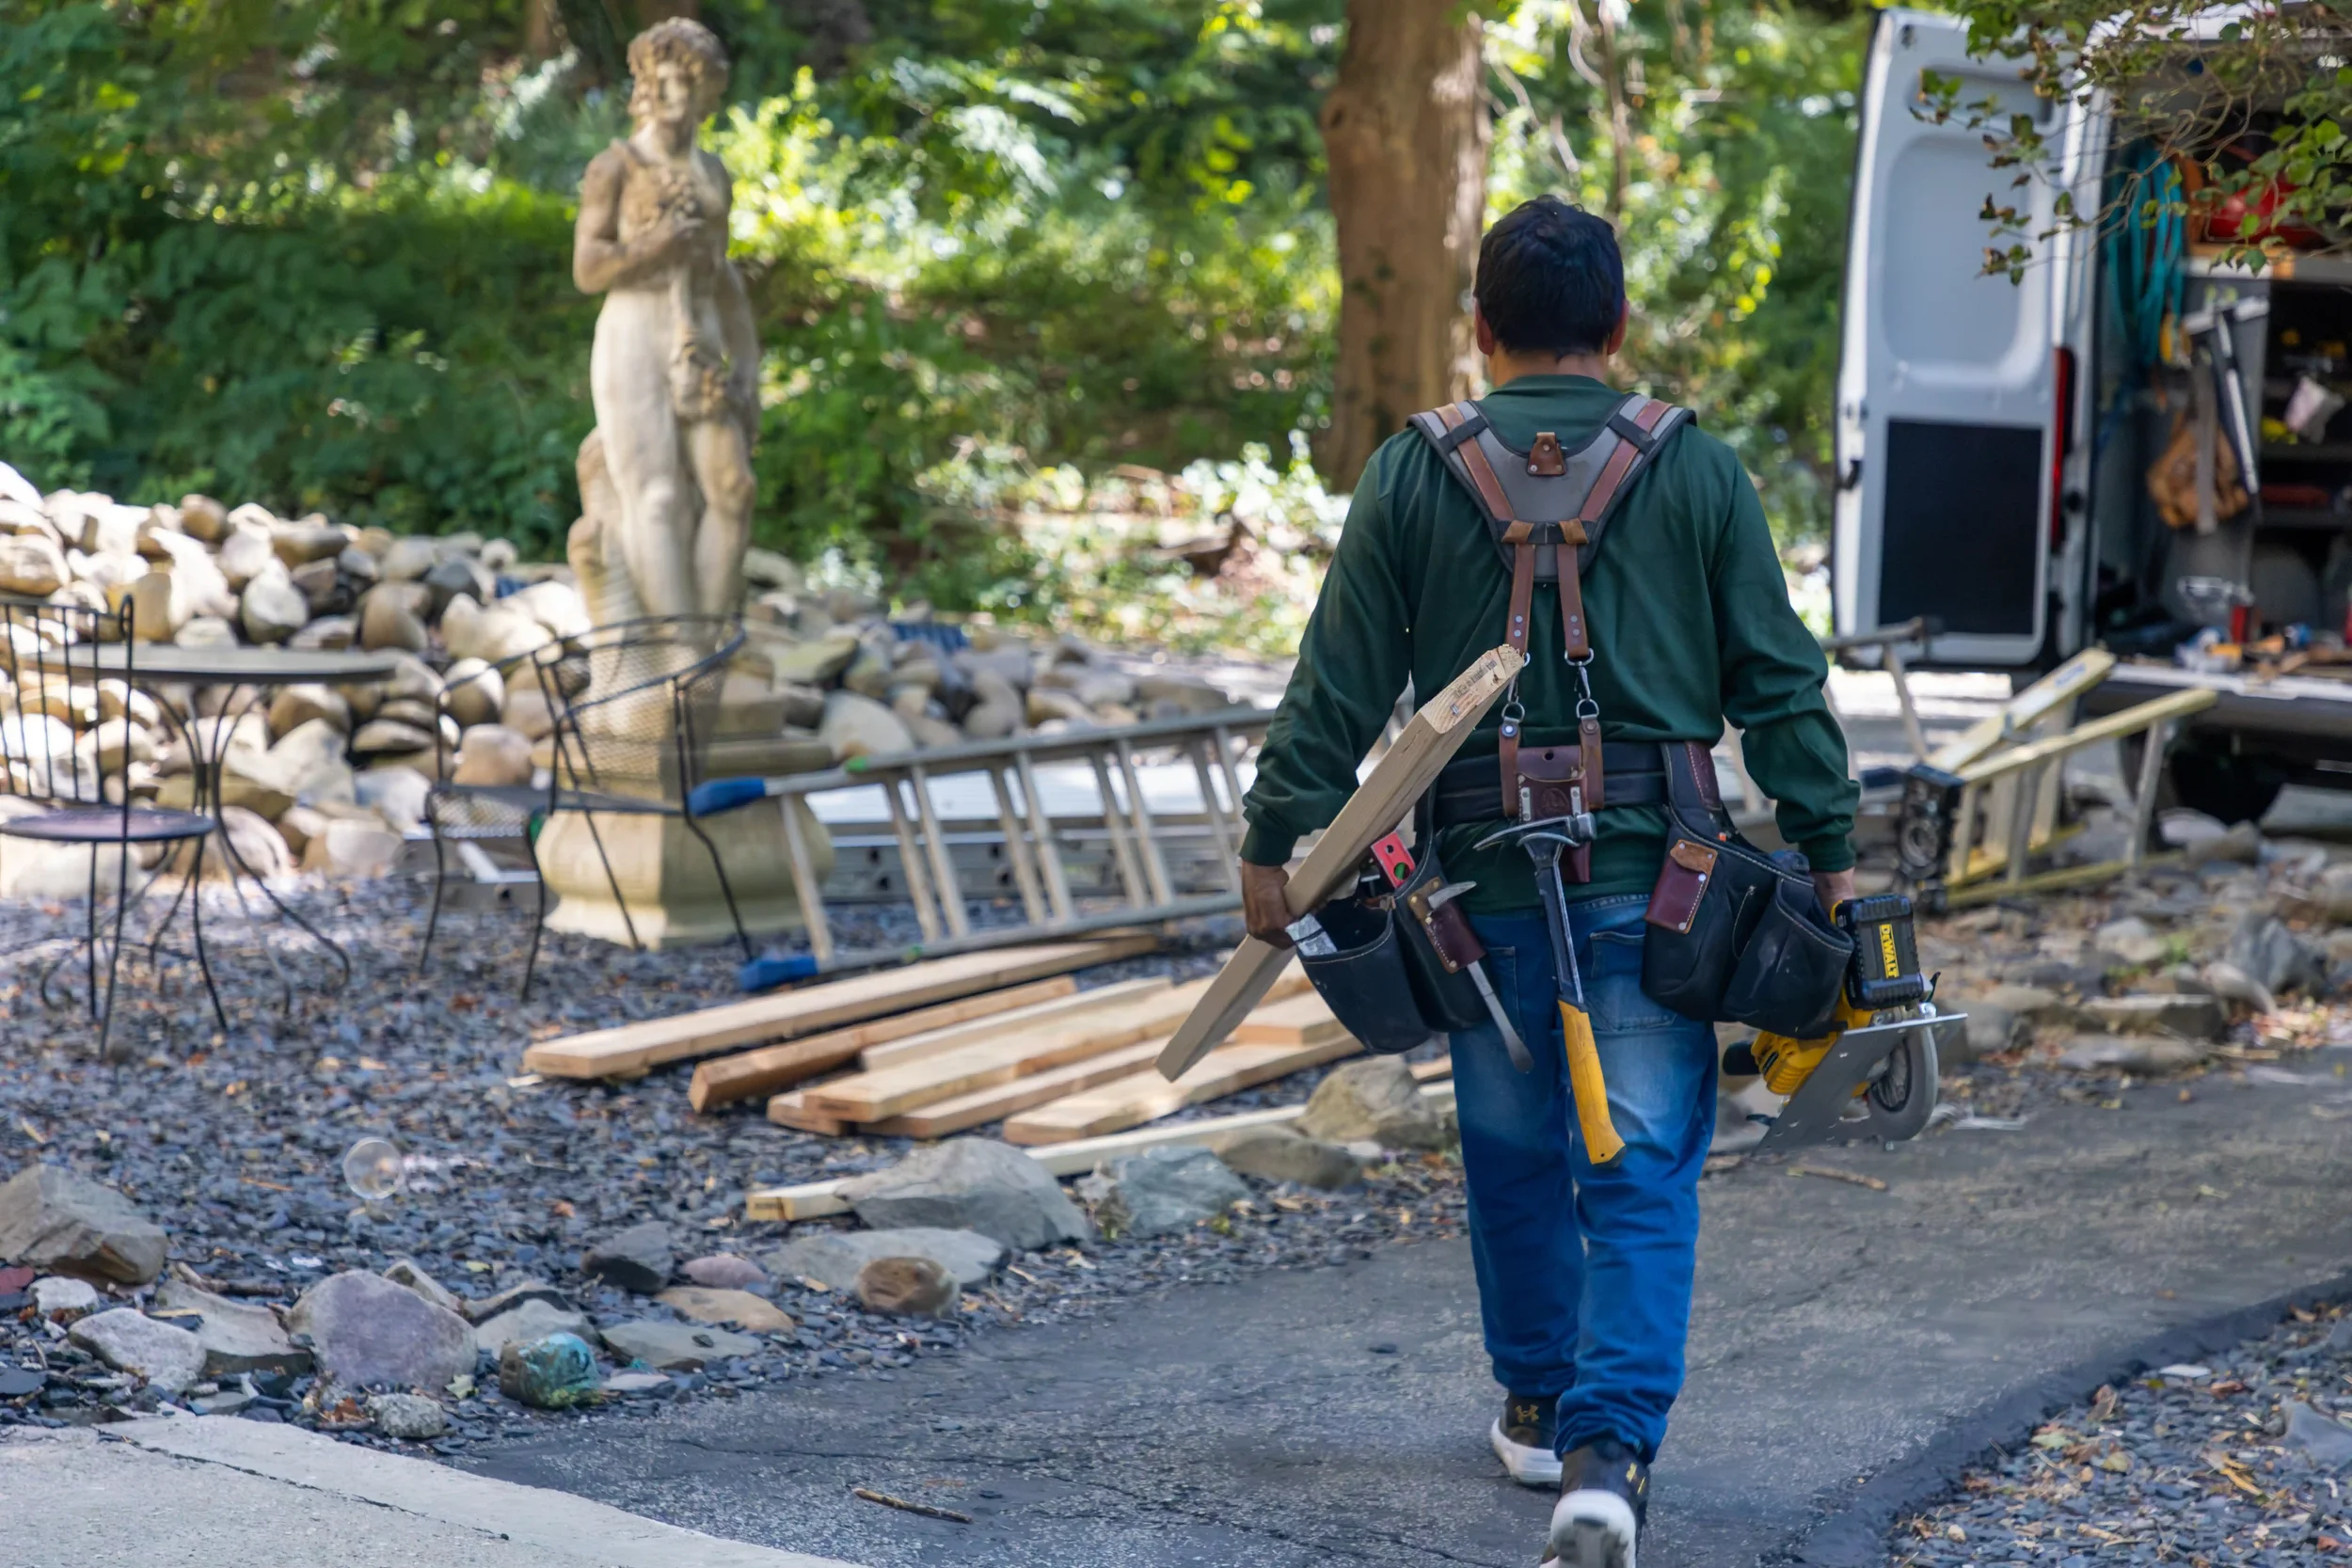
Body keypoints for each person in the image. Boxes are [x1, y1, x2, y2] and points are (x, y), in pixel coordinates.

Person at [1237, 197, 1857, 1568]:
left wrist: (1273, 843)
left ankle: (1534, 1401)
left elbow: (1335, 686)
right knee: (1637, 1168)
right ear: (1618, 328)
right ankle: (1607, 1454)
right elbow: (1779, 681)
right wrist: (1832, 851)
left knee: (1516, 1155)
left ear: (1480, 328)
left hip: (1480, 895)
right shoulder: (1694, 469)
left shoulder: (1414, 472)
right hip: (1664, 889)